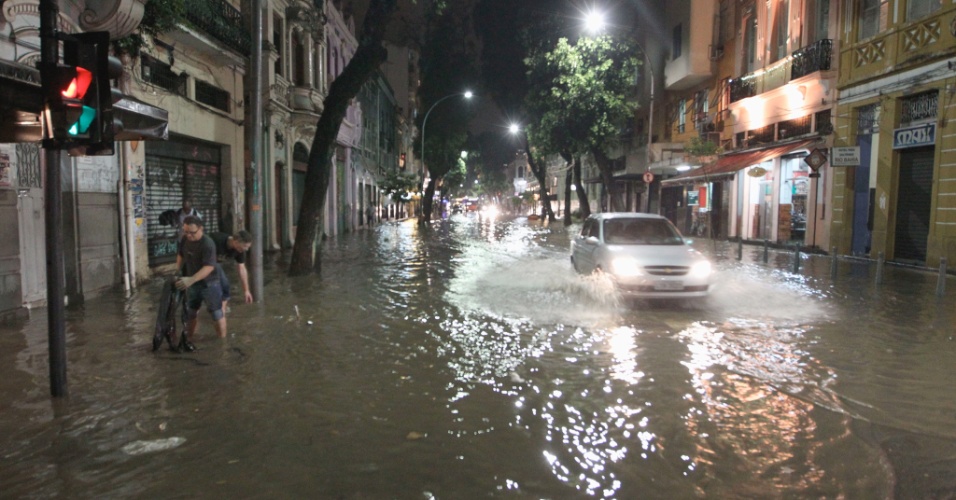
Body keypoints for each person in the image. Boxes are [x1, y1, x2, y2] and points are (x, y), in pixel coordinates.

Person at [175, 216, 226, 347]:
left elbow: (209, 267)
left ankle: (223, 342)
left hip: (210, 283)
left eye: (192, 232)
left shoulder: (208, 244)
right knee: (190, 312)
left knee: (216, 313)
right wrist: (178, 270)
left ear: (201, 229)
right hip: (192, 283)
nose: (189, 235)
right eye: (185, 232)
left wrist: (191, 279)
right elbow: (180, 254)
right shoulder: (184, 240)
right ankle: (189, 339)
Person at [207, 229, 254, 310]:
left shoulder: (239, 250)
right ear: (235, 242)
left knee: (225, 286)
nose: (246, 250)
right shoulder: (216, 240)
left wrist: (246, 290)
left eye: (248, 247)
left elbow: (242, 268)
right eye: (245, 246)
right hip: (202, 262)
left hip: (213, 265)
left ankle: (221, 311)